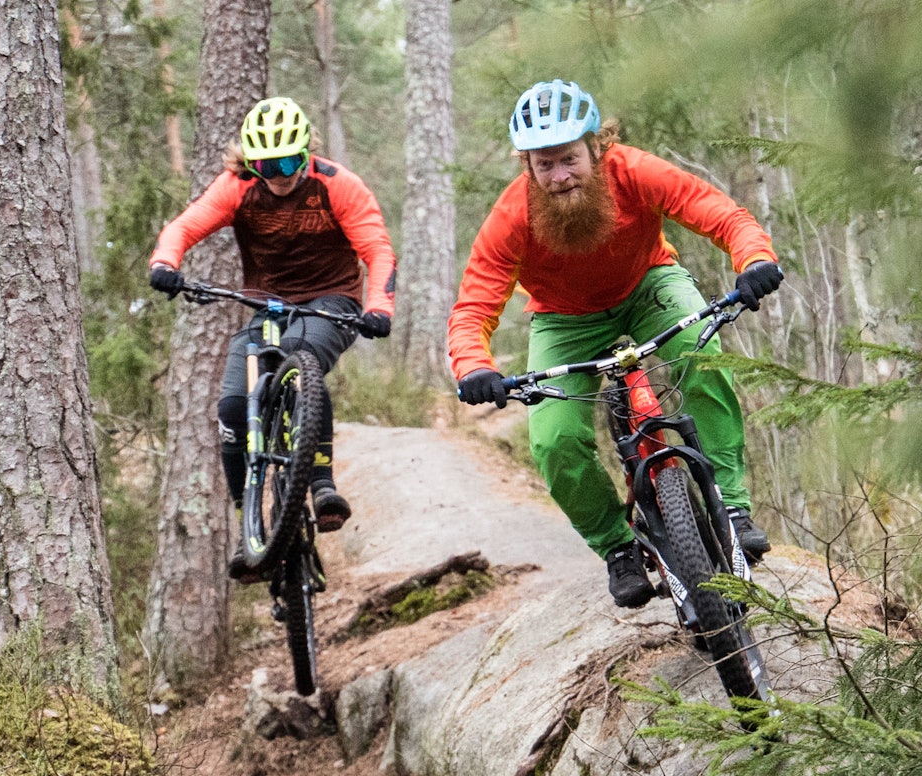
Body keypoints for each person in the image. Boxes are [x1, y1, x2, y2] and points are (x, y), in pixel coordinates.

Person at [448, 79, 783, 609]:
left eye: (569, 159)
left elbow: (719, 213)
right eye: (544, 165)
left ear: (596, 147)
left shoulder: (635, 171)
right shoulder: (513, 216)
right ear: (527, 168)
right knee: (553, 440)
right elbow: (474, 306)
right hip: (564, 320)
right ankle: (617, 547)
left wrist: (754, 260)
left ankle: (732, 506)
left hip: (649, 285)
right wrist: (472, 366)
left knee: (700, 353)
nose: (559, 177)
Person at [149, 96, 396, 581]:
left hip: (331, 301)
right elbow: (184, 227)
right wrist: (165, 264)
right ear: (249, 161)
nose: (278, 174)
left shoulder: (336, 185)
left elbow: (377, 249)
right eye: (266, 164)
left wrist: (378, 308)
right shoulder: (239, 187)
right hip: (265, 303)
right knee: (233, 408)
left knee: (302, 357)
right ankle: (249, 526)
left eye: (287, 162)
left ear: (306, 152)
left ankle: (322, 484)